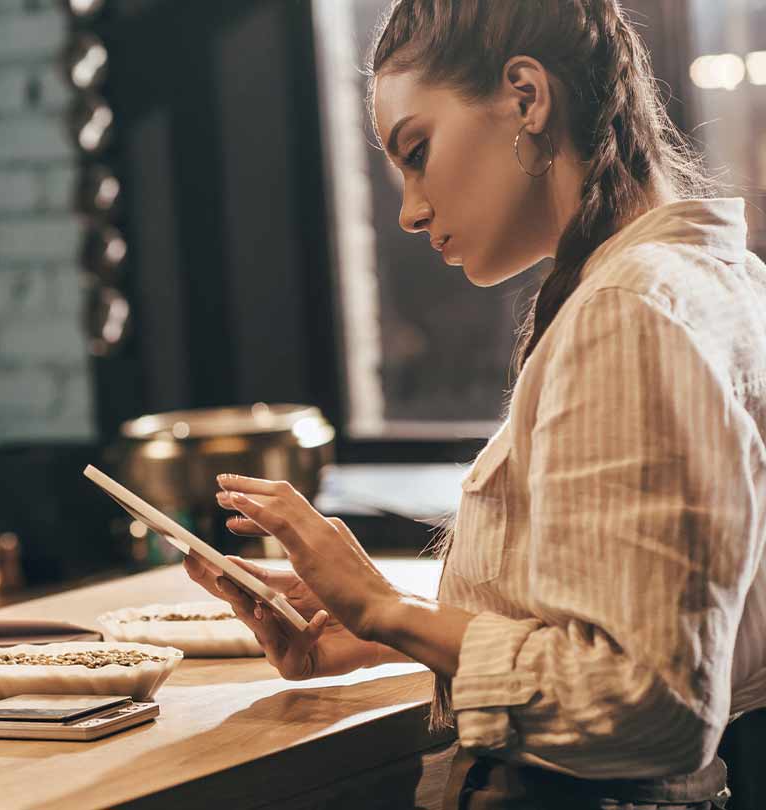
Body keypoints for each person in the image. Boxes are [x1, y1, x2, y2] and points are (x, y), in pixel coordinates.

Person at [187, 0, 766, 806]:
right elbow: (651, 631)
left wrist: (388, 609)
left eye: (417, 152)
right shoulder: (716, 279)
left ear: (527, 98)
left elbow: (648, 705)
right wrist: (403, 632)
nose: (410, 209)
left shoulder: (630, 310)